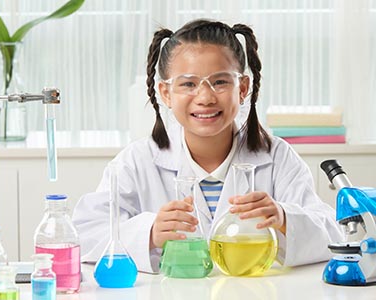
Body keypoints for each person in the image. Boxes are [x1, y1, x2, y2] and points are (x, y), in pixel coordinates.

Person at [72, 19, 344, 273]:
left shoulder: (276, 157)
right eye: (188, 84)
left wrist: (285, 219)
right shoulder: (137, 161)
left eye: (220, 82)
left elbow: (335, 233)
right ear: (166, 93)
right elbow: (84, 235)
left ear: (243, 87)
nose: (205, 97)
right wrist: (150, 232)